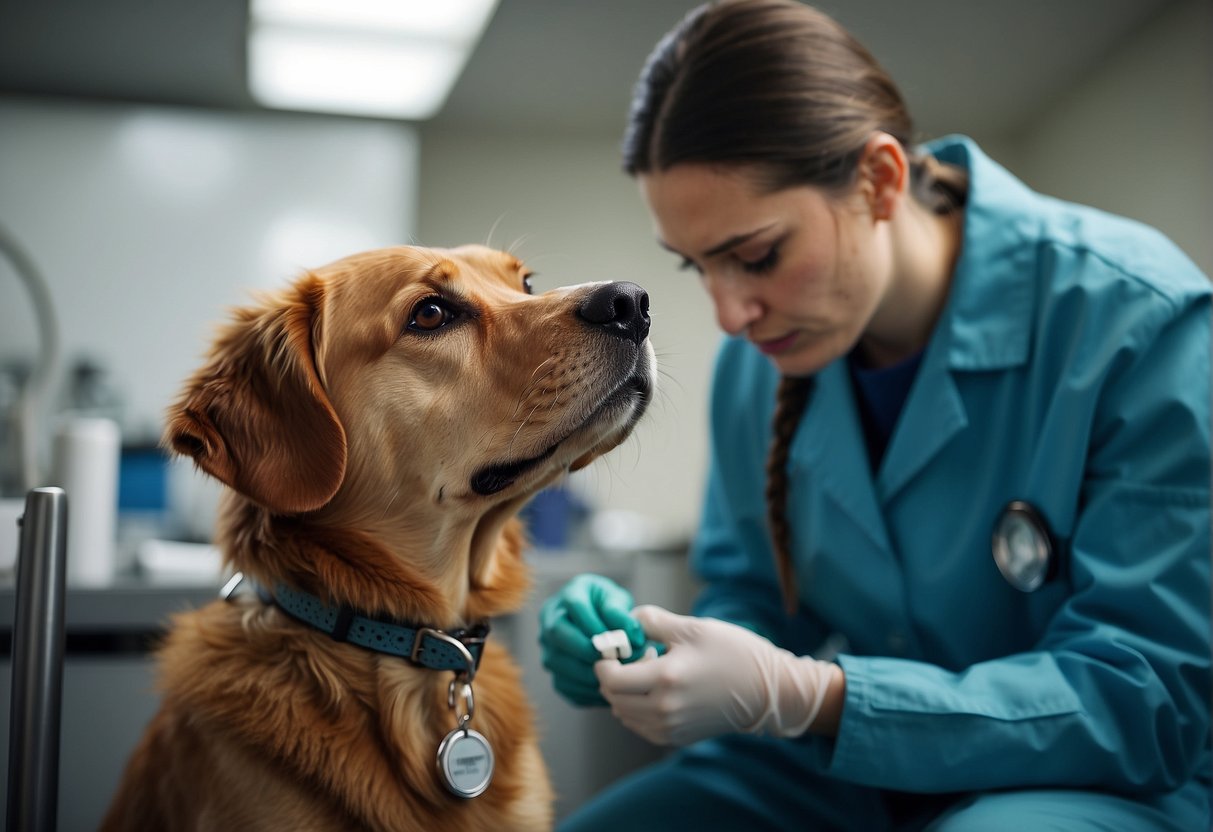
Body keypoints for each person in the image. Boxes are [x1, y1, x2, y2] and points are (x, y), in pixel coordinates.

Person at [536, 1, 1212, 830]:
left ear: (880, 181)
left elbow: (1147, 700)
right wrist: (648, 647)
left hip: (1094, 781)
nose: (729, 315)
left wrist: (813, 695)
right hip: (841, 773)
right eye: (696, 268)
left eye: (755, 256)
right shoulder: (762, 364)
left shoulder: (1135, 322)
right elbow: (749, 597)